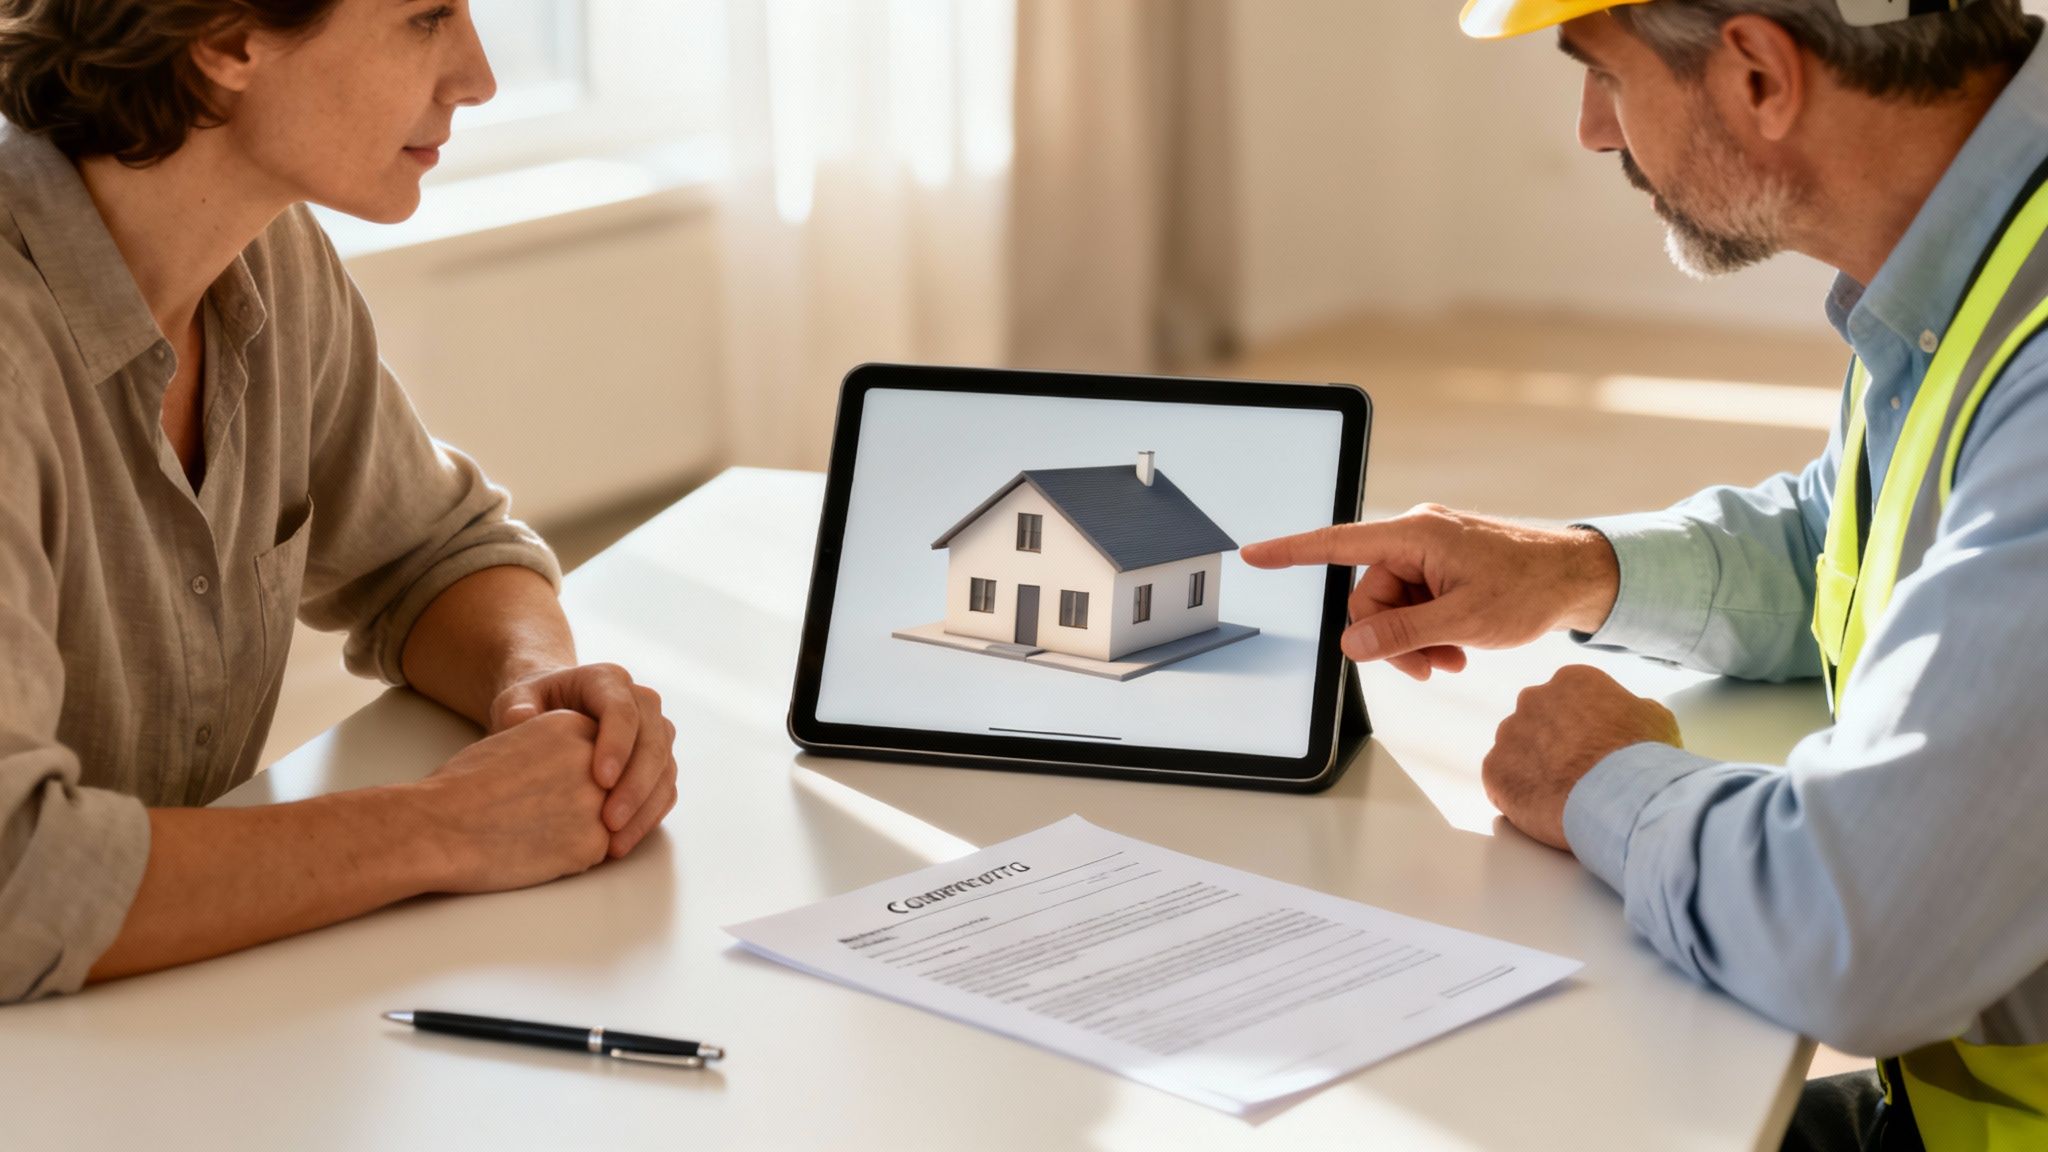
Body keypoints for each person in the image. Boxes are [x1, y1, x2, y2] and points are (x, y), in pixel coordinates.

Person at [1242, 1, 2048, 1149]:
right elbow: (1864, 534)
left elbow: (1848, 933)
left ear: (1758, 75)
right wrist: (1570, 570)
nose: (1590, 131)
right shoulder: (1982, 262)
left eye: (1601, 74)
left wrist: (1599, 779)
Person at [0, 0, 678, 1003]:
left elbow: (432, 551)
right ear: (228, 37)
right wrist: (450, 825)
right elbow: (17, 880)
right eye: (424, 18)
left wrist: (538, 690)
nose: (478, 76)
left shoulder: (264, 250)